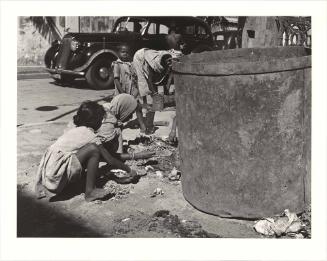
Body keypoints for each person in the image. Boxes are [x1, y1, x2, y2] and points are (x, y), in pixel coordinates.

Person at [34, 101, 137, 202]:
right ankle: (90, 192)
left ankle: (76, 183)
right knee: (93, 149)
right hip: (56, 171)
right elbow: (110, 160)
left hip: (49, 170)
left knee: (88, 151)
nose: (101, 123)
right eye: (101, 120)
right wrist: (129, 170)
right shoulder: (90, 135)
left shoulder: (76, 129)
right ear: (94, 121)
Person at [99, 93, 154, 158]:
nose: (131, 118)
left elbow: (137, 107)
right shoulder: (108, 121)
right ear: (123, 108)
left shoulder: (111, 109)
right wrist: (138, 155)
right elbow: (110, 157)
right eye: (130, 113)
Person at [133, 48, 173, 134]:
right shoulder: (153, 64)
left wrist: (165, 93)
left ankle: (149, 124)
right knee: (144, 91)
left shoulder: (168, 63)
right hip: (140, 58)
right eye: (168, 61)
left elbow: (165, 80)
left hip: (149, 59)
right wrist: (155, 94)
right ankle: (143, 126)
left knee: (151, 102)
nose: (169, 62)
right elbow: (150, 80)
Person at [112, 44, 147, 134]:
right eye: (123, 52)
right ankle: (115, 126)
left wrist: (137, 89)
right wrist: (123, 93)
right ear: (118, 53)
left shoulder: (131, 63)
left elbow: (135, 76)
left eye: (127, 52)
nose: (125, 54)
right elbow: (116, 80)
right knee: (119, 109)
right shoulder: (117, 64)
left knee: (137, 106)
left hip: (132, 90)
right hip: (121, 91)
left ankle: (142, 125)